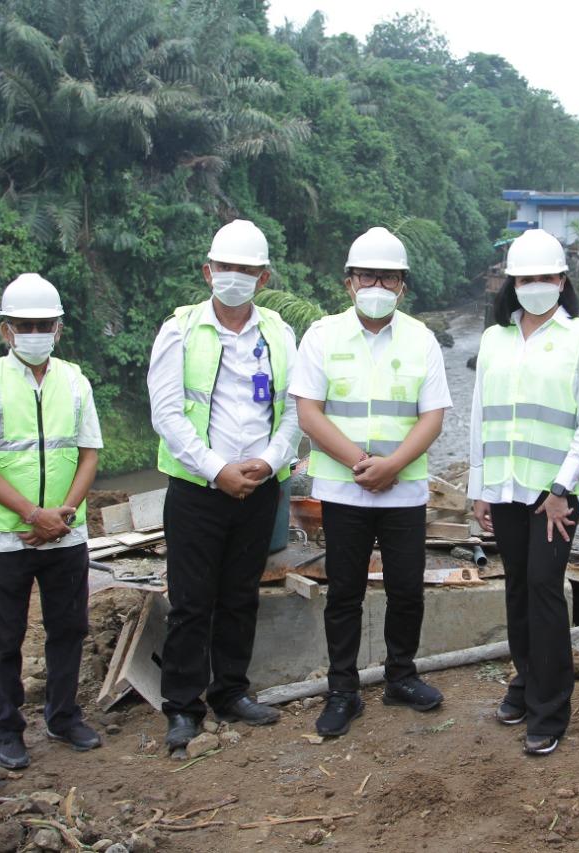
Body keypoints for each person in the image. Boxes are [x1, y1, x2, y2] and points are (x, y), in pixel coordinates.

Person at [290, 226, 452, 738]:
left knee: (407, 590)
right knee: (344, 592)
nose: (377, 285)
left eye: (388, 277)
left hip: (403, 491)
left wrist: (393, 466)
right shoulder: (322, 336)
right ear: (349, 283)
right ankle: (343, 690)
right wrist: (364, 462)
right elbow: (309, 414)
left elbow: (432, 417)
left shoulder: (422, 339)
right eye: (368, 276)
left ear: (402, 286)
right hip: (344, 491)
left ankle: (401, 676)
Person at [147, 219, 302, 751]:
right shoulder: (180, 331)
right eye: (225, 268)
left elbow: (294, 412)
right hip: (197, 489)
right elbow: (167, 413)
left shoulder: (280, 333)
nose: (234, 277)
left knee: (240, 595)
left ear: (263, 278)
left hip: (260, 486)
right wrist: (217, 469)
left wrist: (268, 461)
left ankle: (230, 691)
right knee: (191, 601)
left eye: (246, 270)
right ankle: (183, 707)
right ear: (208, 271)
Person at [470, 229, 579, 756]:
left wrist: (560, 489)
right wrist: (478, 488)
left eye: (545, 278)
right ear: (512, 283)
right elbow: (481, 417)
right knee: (517, 589)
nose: (535, 286)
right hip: (504, 489)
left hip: (555, 495)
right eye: (525, 279)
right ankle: (525, 683)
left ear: (562, 281)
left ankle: (551, 710)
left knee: (546, 590)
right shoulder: (494, 339)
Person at [0, 273, 102, 770]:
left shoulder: (75, 382)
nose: (35, 332)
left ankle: (63, 717)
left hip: (65, 534)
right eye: (24, 324)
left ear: (59, 329)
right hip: (5, 537)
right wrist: (31, 514)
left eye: (44, 324)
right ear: (6, 330)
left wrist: (60, 516)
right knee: (6, 637)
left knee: (68, 628)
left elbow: (87, 455)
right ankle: (8, 729)